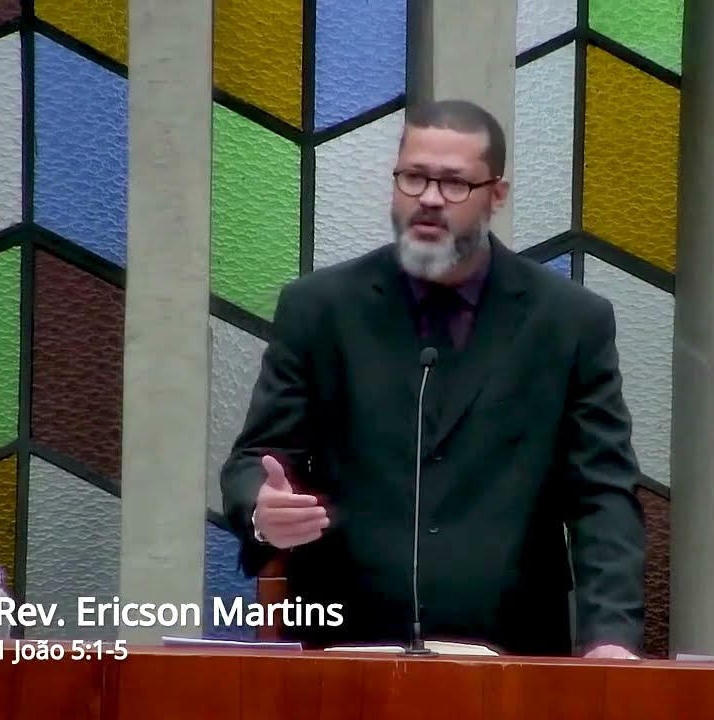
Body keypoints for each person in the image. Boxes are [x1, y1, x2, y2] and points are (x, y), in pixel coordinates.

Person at [220, 99, 644, 658]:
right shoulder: (321, 309)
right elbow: (257, 458)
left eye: (454, 183)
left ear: (497, 195)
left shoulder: (568, 322)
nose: (430, 198)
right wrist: (262, 509)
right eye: (414, 177)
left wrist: (610, 638)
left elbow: (602, 494)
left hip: (514, 658)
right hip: (345, 649)